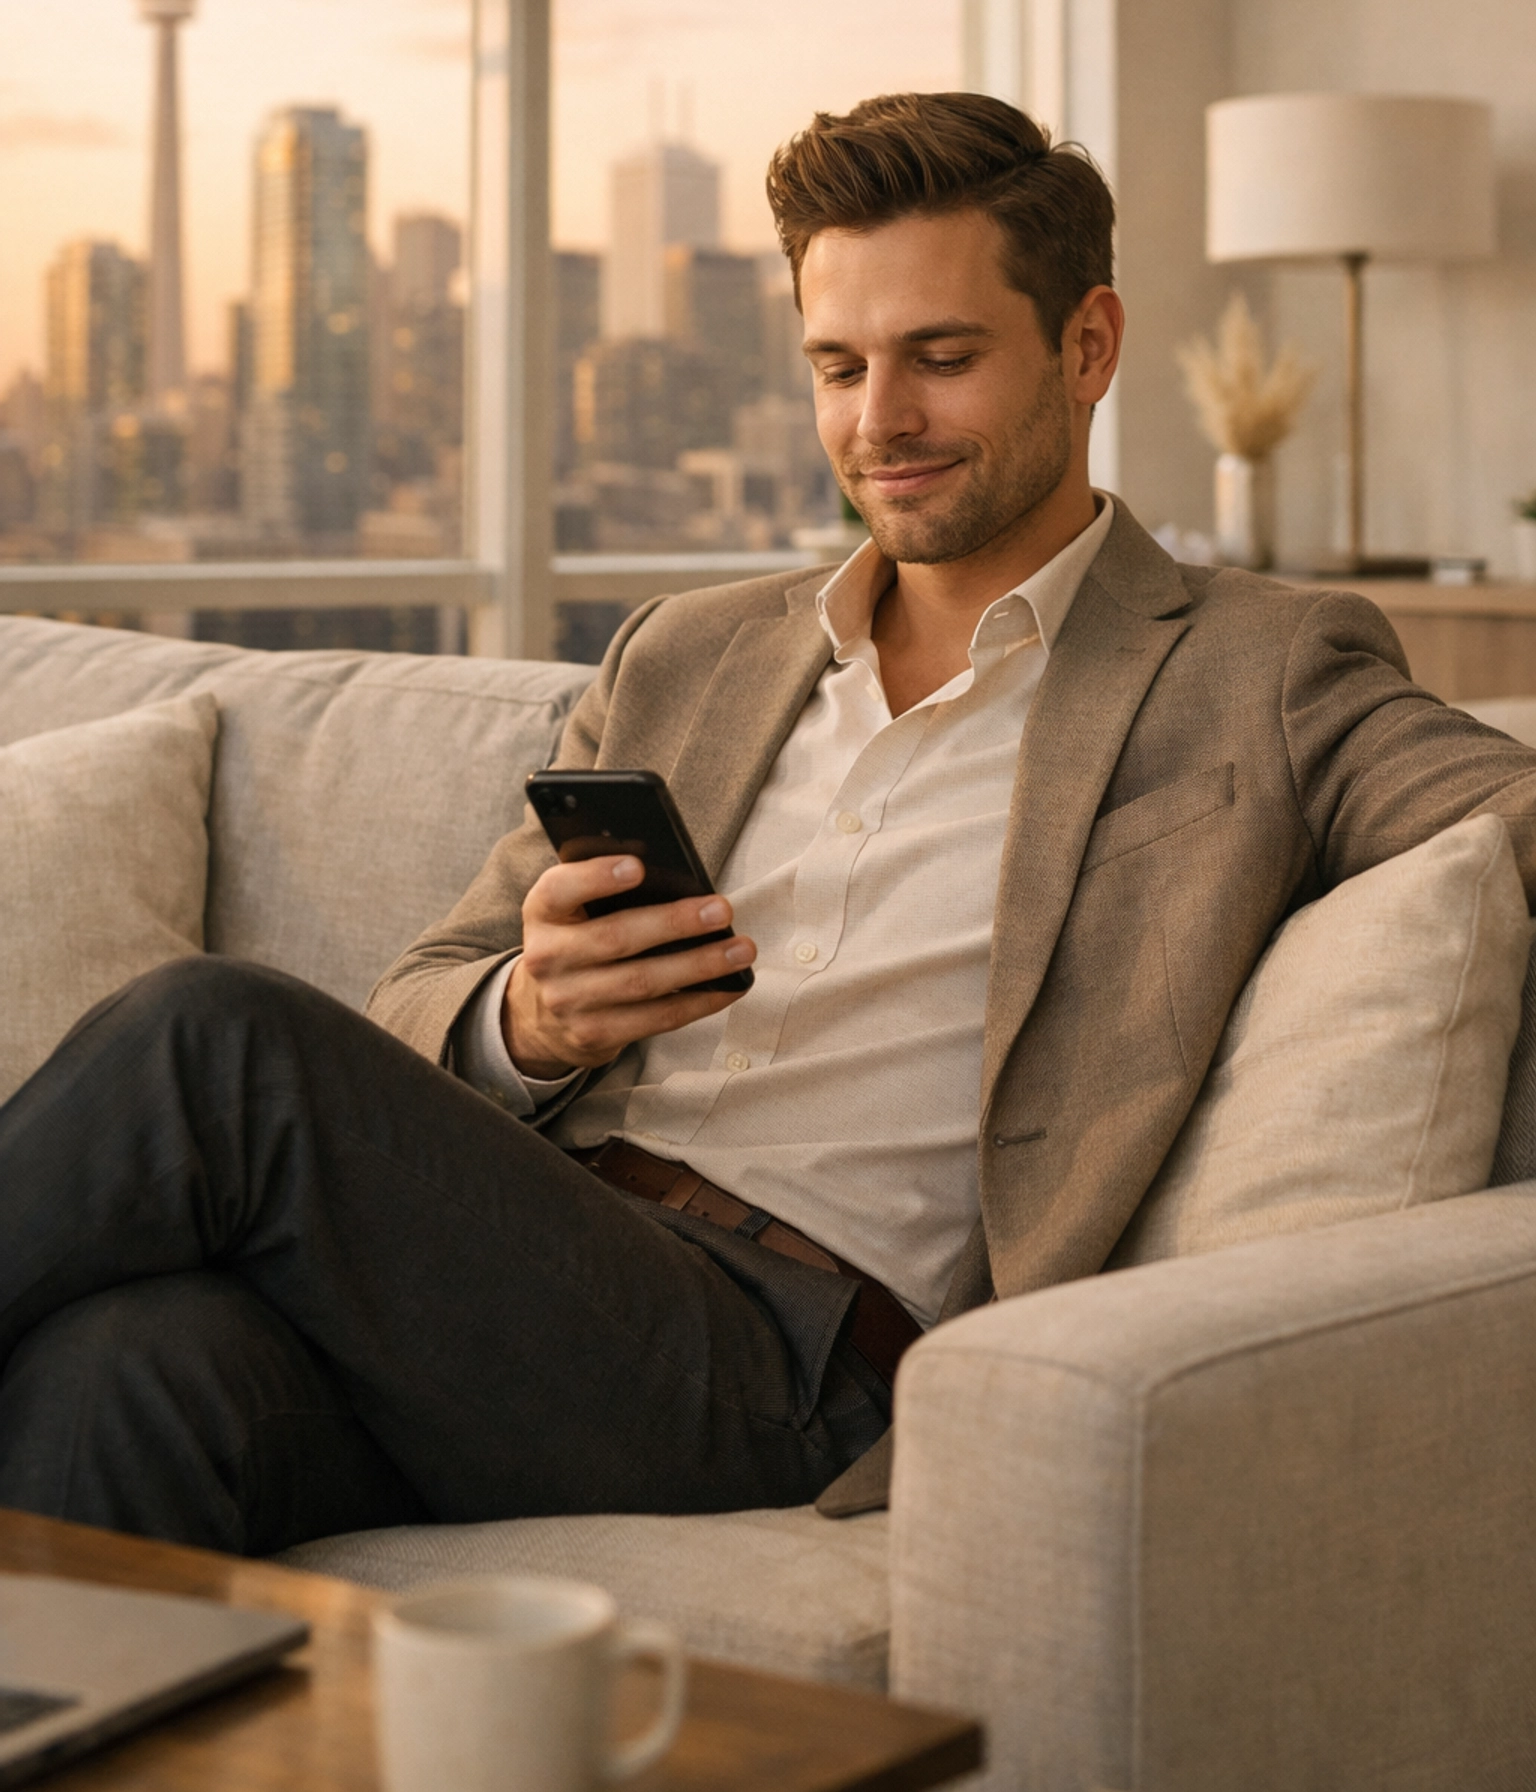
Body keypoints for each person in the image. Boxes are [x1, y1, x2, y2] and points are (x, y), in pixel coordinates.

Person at [2, 92, 1533, 1554]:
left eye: (941, 356)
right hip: (525, 1269)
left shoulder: (1259, 666)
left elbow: (1505, 812)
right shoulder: (689, 653)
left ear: (1090, 344)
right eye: (839, 365)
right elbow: (422, 992)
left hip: (795, 1365)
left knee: (213, 1039)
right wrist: (525, 1019)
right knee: (125, 1362)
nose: (884, 421)